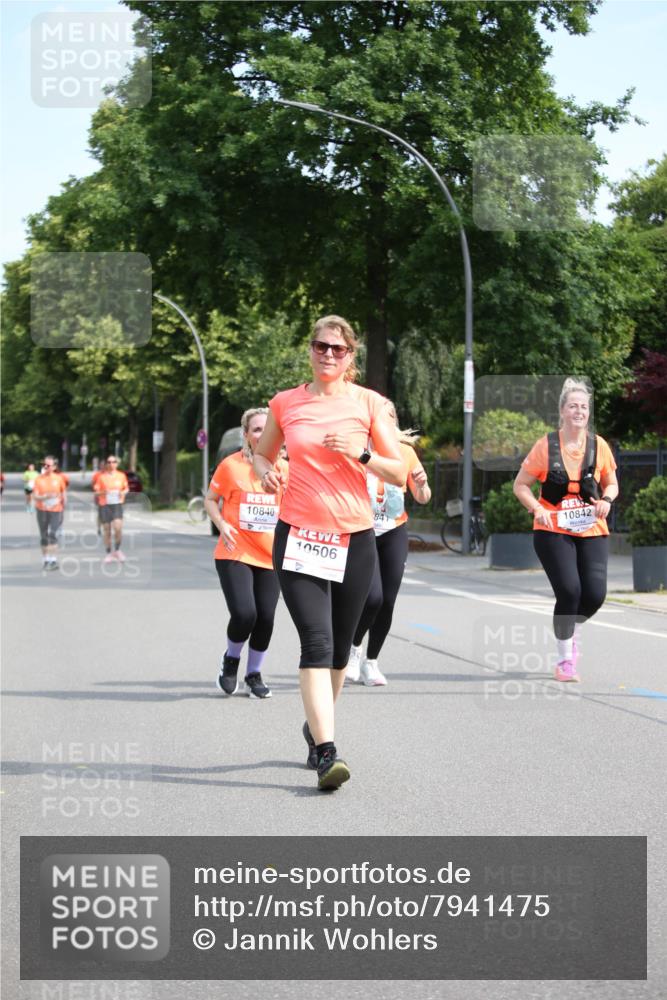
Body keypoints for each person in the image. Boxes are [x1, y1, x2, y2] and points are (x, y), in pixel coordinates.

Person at [254, 314, 405, 790]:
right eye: (321, 346)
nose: (328, 355)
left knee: (341, 649)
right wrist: (264, 468)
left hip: (354, 538)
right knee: (316, 643)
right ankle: (327, 753)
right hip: (298, 534)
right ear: (310, 349)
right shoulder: (285, 403)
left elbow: (398, 472)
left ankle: (316, 725)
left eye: (337, 350)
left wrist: (361, 453)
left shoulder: (370, 404)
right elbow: (263, 452)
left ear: (350, 357)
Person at [513, 378, 618, 682]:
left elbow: (611, 482)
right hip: (552, 529)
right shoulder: (546, 446)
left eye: (584, 406)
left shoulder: (599, 446)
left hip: (592, 529)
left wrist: (607, 499)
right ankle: (564, 661)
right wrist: (538, 508)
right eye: (573, 405)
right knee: (569, 590)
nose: (579, 411)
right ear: (562, 411)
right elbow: (520, 485)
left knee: (595, 595)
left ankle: (569, 634)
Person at [205, 408, 287, 700]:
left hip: (270, 555)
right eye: (256, 429)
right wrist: (221, 523)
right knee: (245, 613)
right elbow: (211, 500)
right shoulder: (231, 466)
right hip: (234, 551)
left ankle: (254, 675)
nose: (262, 434)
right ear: (246, 435)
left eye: (268, 429)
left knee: (265, 617)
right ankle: (231, 660)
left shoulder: (286, 469)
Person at [347, 400, 432, 686]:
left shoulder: (404, 452)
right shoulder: (358, 451)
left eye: (389, 416)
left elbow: (423, 496)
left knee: (388, 601)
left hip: (394, 530)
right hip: (363, 531)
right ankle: (354, 648)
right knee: (372, 598)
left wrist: (421, 485)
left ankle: (371, 662)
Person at [33, 456, 66, 569]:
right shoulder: (39, 479)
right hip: (42, 510)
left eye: (48, 465)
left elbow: (63, 493)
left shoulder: (59, 479)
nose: (45, 467)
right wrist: (45, 497)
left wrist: (63, 507)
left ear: (54, 467)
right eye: (44, 465)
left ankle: (53, 559)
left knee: (53, 534)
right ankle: (45, 559)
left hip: (56, 510)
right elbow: (35, 496)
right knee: (44, 535)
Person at [94, 456, 129, 562]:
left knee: (118, 528)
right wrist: (104, 492)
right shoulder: (101, 477)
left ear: (116, 464)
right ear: (106, 464)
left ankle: (117, 550)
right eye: (109, 462)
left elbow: (126, 488)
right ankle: (109, 552)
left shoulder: (121, 476)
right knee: (107, 530)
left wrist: (123, 492)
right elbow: (96, 491)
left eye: (113, 462)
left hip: (117, 504)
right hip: (104, 505)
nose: (111, 464)